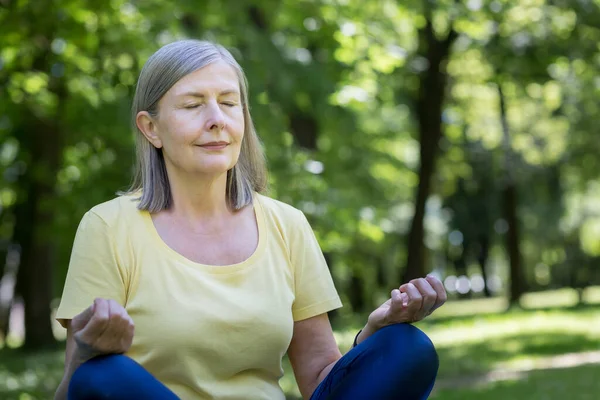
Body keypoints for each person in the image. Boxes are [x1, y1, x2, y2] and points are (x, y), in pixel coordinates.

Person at [54, 39, 446, 400]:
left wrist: (373, 334)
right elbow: (77, 391)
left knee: (406, 348)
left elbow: (321, 381)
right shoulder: (107, 227)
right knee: (99, 374)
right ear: (151, 128)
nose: (216, 119)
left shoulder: (286, 224)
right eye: (193, 105)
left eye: (229, 103)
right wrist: (84, 354)